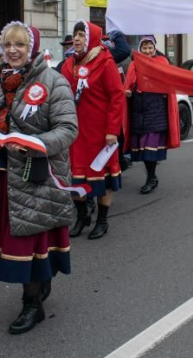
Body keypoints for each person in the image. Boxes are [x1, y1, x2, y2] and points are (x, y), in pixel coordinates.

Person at [0, 21, 77, 335]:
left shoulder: (54, 81)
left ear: (33, 49)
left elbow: (68, 129)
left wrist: (33, 145)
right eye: (8, 45)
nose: (13, 51)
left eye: (20, 46)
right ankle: (39, 286)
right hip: (1, 176)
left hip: (35, 175)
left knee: (28, 239)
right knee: (15, 238)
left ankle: (33, 304)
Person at [61, 20, 126, 240]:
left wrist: (112, 130)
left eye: (82, 34)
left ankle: (102, 220)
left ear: (92, 38)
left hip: (100, 134)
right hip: (75, 134)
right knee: (77, 179)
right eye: (75, 35)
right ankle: (82, 217)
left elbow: (117, 97)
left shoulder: (105, 62)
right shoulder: (68, 65)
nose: (77, 39)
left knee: (104, 179)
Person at [123, 36, 180, 194]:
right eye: (144, 48)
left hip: (155, 111)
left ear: (155, 48)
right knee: (143, 150)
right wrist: (127, 92)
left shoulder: (162, 62)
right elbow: (128, 85)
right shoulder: (133, 64)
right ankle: (151, 176)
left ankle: (151, 178)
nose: (147, 51)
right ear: (140, 49)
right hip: (138, 112)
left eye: (150, 47)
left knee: (150, 150)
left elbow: (168, 84)